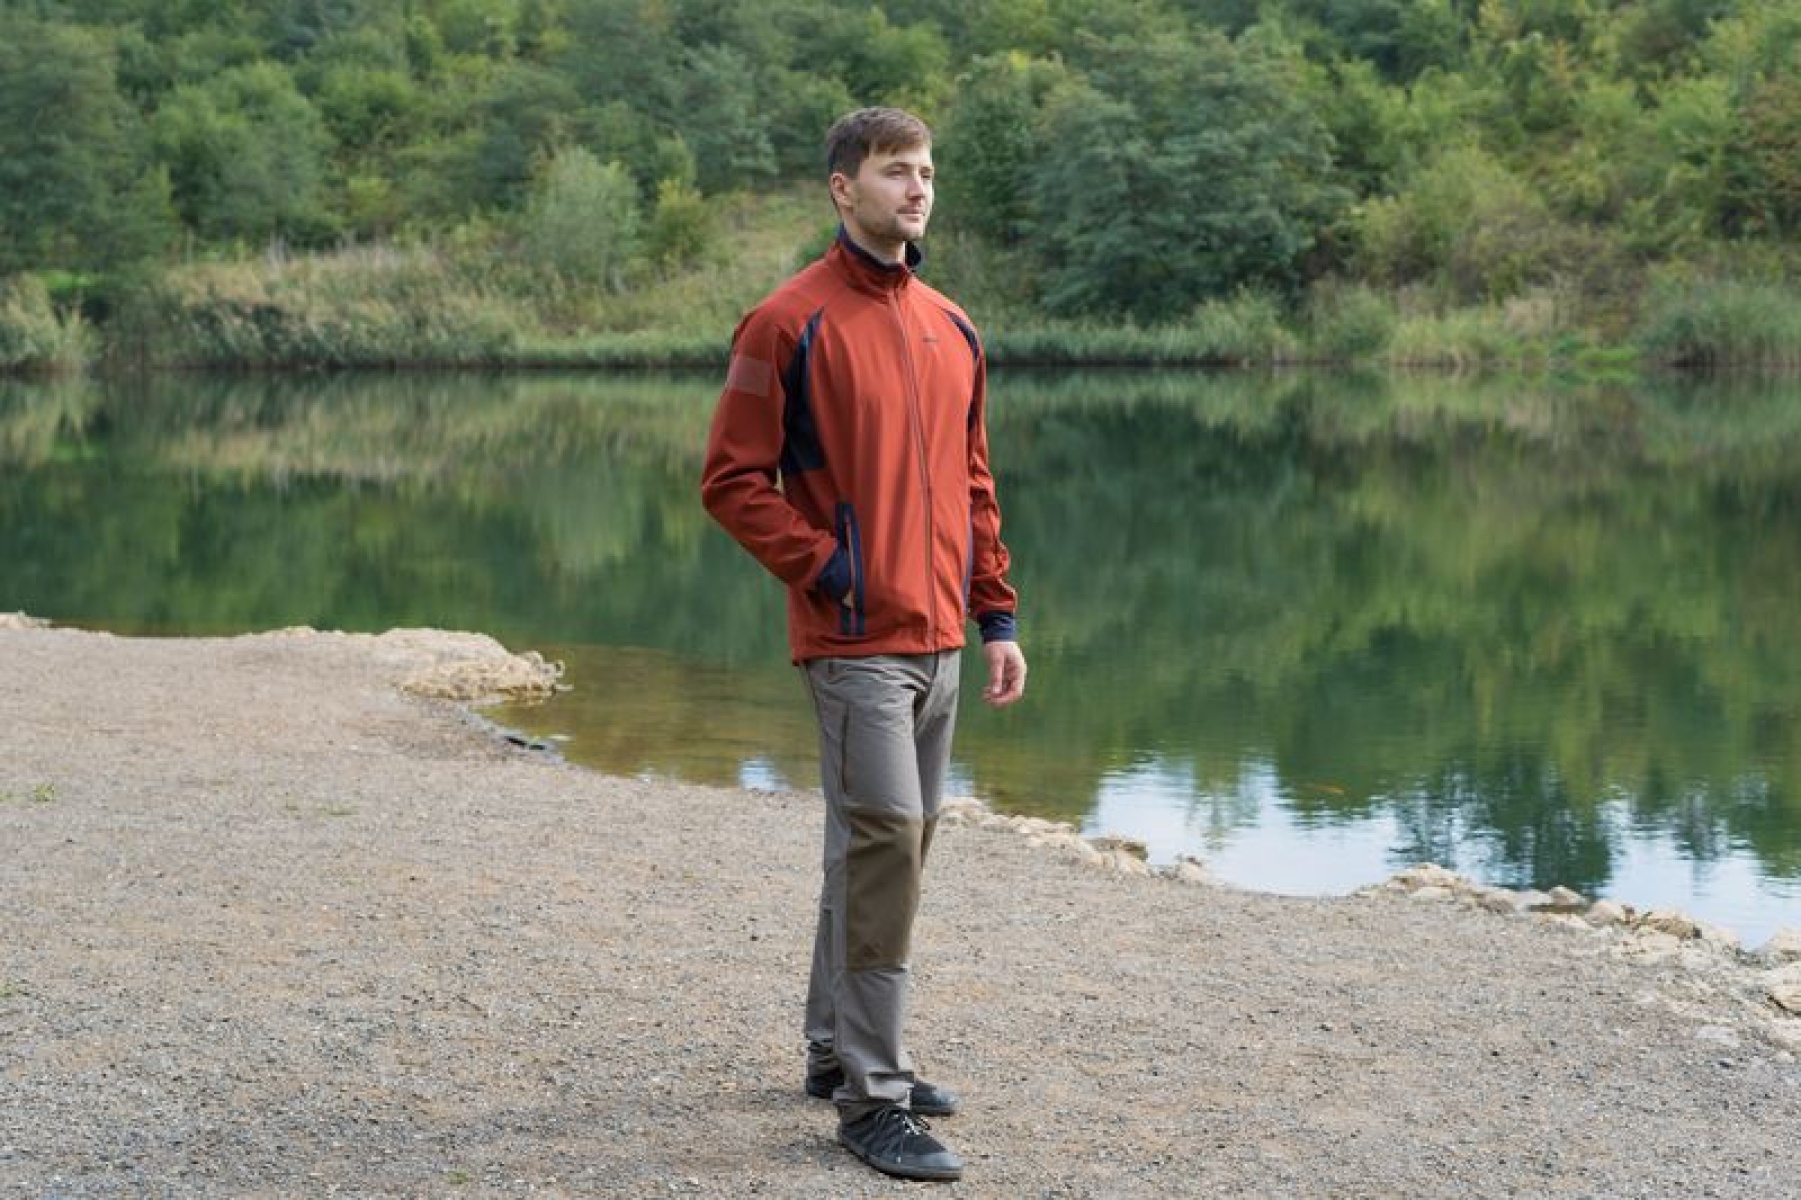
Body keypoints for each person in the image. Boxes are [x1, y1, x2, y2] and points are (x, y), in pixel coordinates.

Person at [699, 106, 1027, 1184]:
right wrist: (831, 570)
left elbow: (974, 486)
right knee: (884, 845)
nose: (916, 188)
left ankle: (834, 1047)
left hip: (940, 639)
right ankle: (873, 1101)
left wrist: (995, 617)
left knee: (888, 846)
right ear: (844, 188)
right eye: (895, 171)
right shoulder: (785, 323)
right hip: (852, 643)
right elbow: (731, 483)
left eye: (925, 170)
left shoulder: (951, 325)